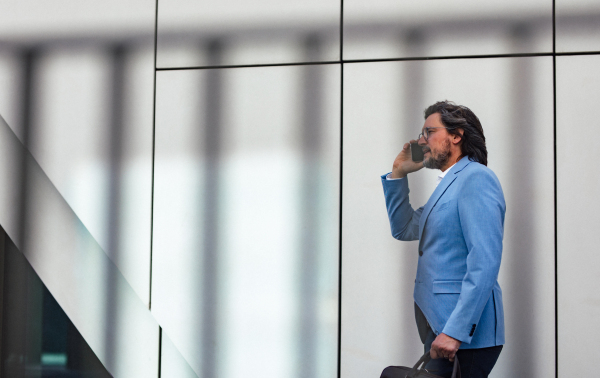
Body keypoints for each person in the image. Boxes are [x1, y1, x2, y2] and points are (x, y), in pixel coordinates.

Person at [381, 101, 505, 378]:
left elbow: (484, 261)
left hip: (461, 334)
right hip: (441, 327)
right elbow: (404, 229)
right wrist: (398, 174)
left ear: (456, 136)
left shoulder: (476, 178)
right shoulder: (448, 185)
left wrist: (455, 331)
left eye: (429, 132)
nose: (421, 141)